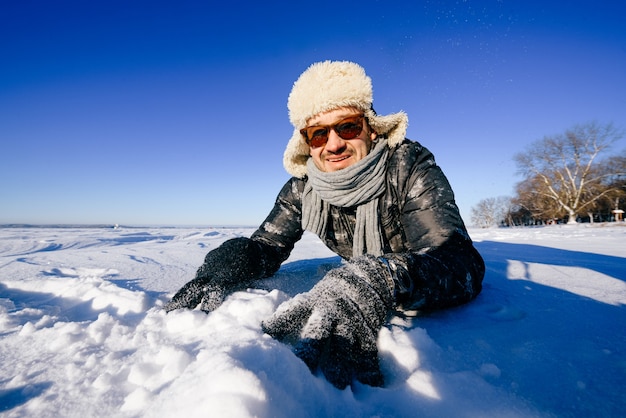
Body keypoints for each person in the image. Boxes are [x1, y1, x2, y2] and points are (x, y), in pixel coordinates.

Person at [164, 60, 485, 390]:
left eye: (347, 127)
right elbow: (265, 247)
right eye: (318, 134)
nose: (333, 144)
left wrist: (384, 276)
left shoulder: (407, 166)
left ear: (371, 127)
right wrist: (228, 264)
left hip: (405, 282)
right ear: (307, 143)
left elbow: (460, 262)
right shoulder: (304, 187)